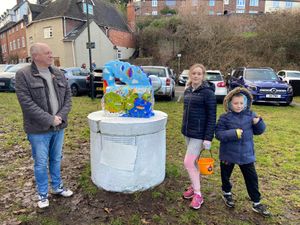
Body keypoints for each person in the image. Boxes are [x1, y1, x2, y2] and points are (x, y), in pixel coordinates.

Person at [15, 43, 73, 209]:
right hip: (38, 130)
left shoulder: (59, 73)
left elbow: (68, 98)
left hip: (59, 126)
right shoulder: (23, 75)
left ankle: (57, 187)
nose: (51, 55)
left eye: (51, 52)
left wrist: (60, 116)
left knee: (56, 158)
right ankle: (42, 194)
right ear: (36, 56)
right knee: (40, 163)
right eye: (47, 53)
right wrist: (49, 119)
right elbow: (26, 103)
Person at [215, 87, 270, 217]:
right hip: (228, 153)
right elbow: (218, 134)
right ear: (229, 103)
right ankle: (227, 193)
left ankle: (256, 202)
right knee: (226, 175)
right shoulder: (225, 118)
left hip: (246, 154)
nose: (239, 106)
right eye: (235, 103)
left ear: (245, 103)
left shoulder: (251, 114)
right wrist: (233, 133)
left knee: (252, 178)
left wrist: (258, 123)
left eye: (241, 103)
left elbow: (259, 131)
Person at [181, 63, 217, 209]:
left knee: (188, 163)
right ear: (190, 75)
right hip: (187, 132)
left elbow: (212, 116)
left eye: (199, 74)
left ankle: (198, 195)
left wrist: (208, 137)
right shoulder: (188, 90)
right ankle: (193, 185)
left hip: (199, 134)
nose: (196, 76)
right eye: (194, 73)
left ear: (203, 76)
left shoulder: (208, 93)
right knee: (194, 162)